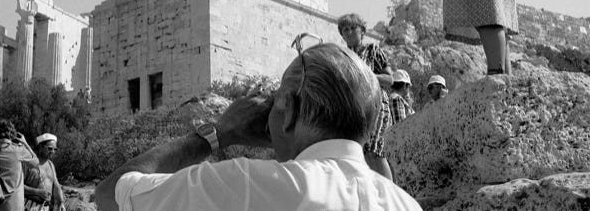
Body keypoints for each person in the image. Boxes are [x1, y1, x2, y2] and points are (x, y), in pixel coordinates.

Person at [95, 43, 422, 211]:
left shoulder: (248, 184)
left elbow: (111, 195)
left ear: (290, 111)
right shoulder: (406, 204)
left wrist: (218, 134)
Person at [337, 13, 394, 180]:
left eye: (353, 28)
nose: (349, 32)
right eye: (345, 29)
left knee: (374, 150)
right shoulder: (344, 57)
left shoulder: (373, 50)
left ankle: (390, 193)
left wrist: (367, 75)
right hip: (356, 109)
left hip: (376, 104)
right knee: (361, 152)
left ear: (362, 31)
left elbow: (390, 79)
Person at [0, 119, 39, 211]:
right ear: (12, 133)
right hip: (13, 205)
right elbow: (36, 163)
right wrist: (25, 143)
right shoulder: (18, 150)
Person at [24, 134, 65, 211]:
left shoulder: (51, 165)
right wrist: (37, 192)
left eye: (55, 149)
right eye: (50, 148)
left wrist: (61, 202)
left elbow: (56, 185)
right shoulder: (29, 163)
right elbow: (18, 186)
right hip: (28, 206)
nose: (52, 151)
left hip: (45, 208)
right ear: (40, 147)